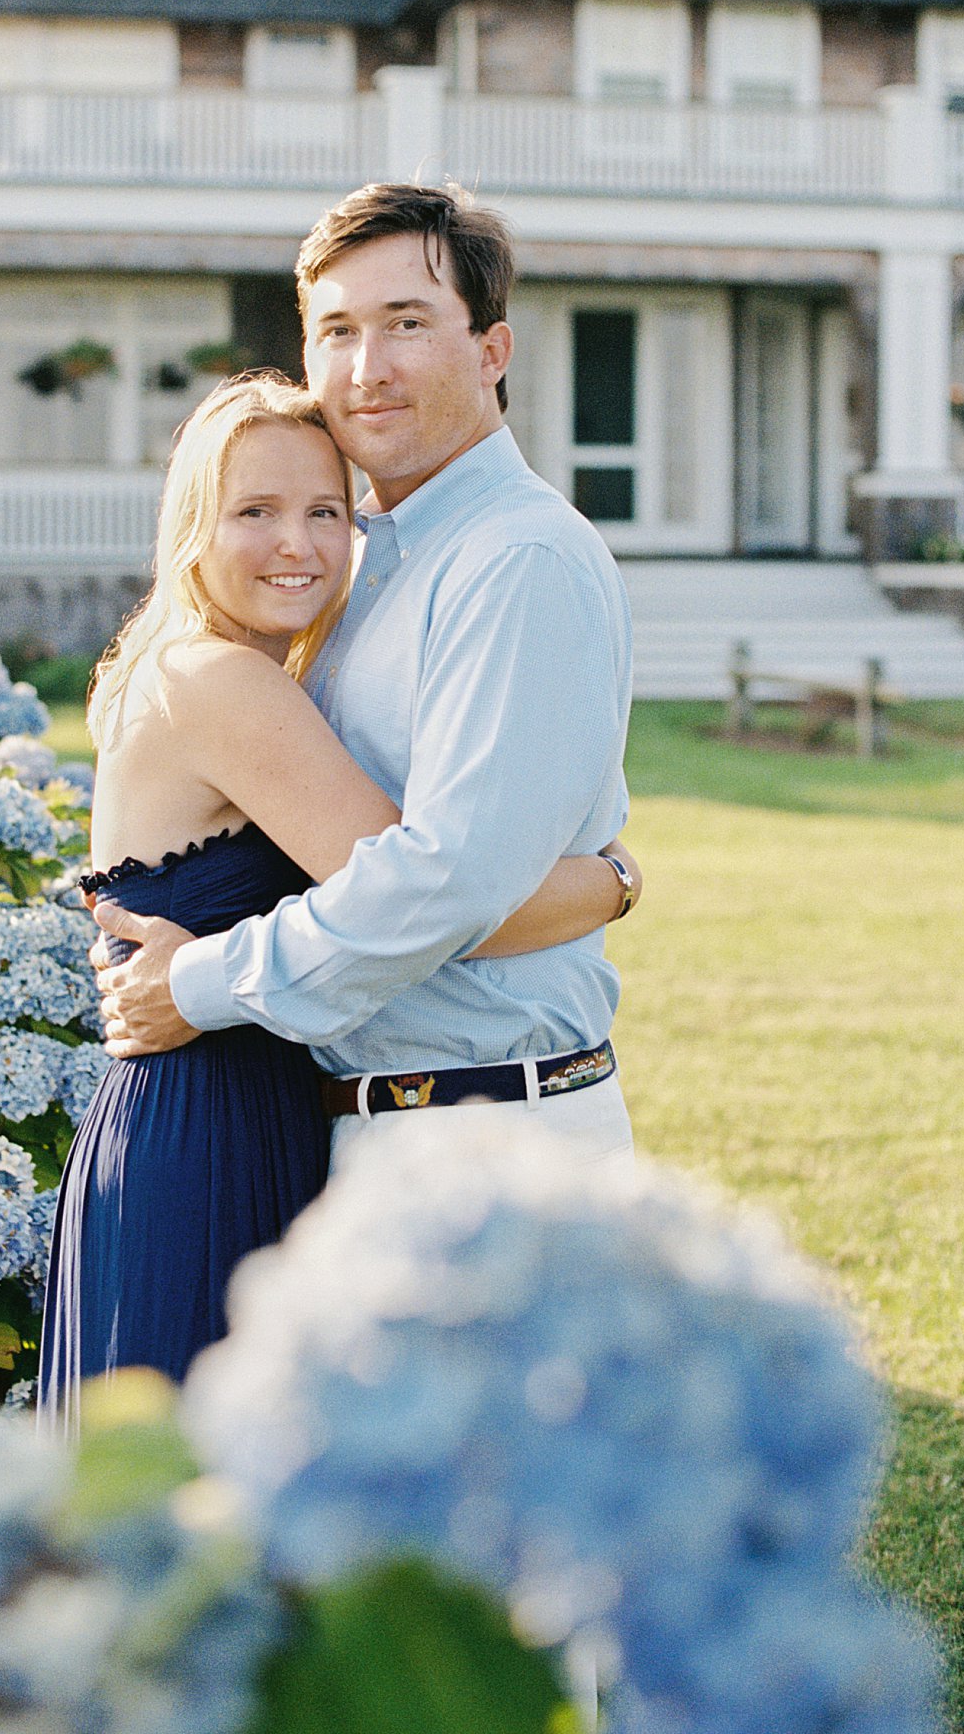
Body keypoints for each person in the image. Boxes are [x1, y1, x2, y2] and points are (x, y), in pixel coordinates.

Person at [37, 371, 638, 1430]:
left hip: (224, 1104)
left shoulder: (204, 668)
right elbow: (442, 901)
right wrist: (613, 881)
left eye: (325, 510)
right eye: (254, 511)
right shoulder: (223, 681)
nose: (297, 543)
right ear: (193, 526)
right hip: (212, 1127)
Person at [92, 182, 638, 1180]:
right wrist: (610, 884)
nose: (366, 367)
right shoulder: (355, 572)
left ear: (491, 352)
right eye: (336, 329)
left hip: (490, 1135)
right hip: (363, 1129)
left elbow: (448, 880)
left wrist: (202, 979)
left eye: (407, 323)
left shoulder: (514, 557)